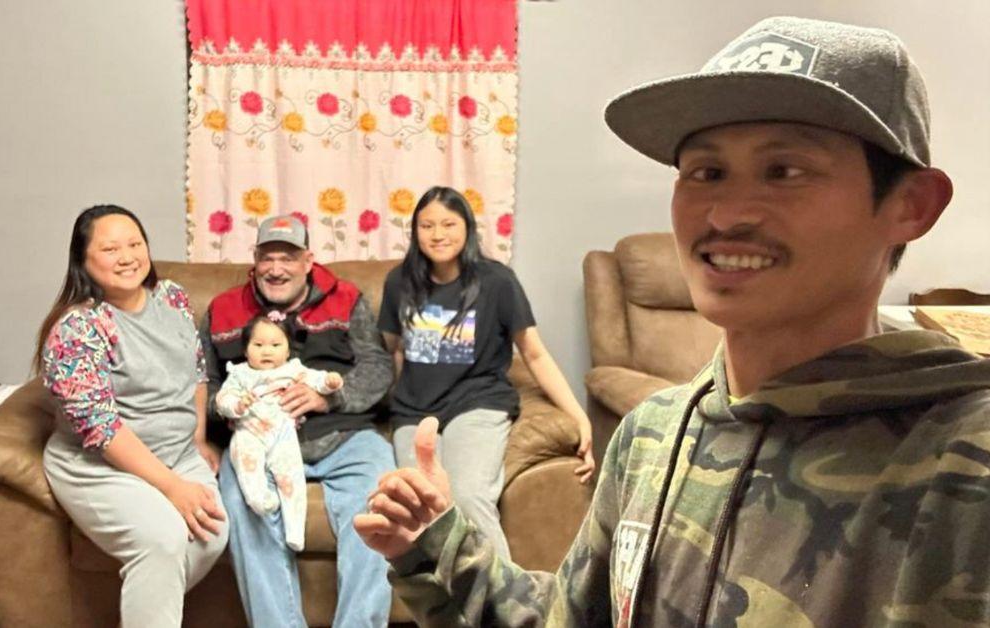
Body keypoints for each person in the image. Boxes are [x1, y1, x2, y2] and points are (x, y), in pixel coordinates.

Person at [356, 16, 990, 627]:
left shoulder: (966, 461)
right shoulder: (651, 437)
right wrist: (433, 548)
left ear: (910, 205)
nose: (727, 213)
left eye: (785, 171)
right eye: (706, 172)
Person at [377, 185, 595, 559]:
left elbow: (535, 354)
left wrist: (580, 418)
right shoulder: (399, 283)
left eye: (448, 223)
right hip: (414, 411)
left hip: (477, 404)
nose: (438, 234)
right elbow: (390, 352)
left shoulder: (496, 281)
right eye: (427, 225)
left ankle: (503, 607)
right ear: (415, 232)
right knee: (421, 502)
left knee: (468, 494)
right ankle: (440, 610)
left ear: (467, 228)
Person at [200, 214, 395, 627]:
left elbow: (377, 367)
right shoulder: (222, 310)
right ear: (253, 260)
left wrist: (331, 397)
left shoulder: (346, 298)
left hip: (343, 435)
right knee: (241, 502)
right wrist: (235, 408)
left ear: (308, 260)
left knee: (379, 504)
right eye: (267, 257)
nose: (276, 268)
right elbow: (205, 383)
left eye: (287, 258)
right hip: (258, 439)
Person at [38, 204, 227, 628]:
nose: (127, 256)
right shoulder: (77, 329)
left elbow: (195, 371)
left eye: (134, 244)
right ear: (83, 260)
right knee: (162, 539)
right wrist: (172, 487)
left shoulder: (173, 297)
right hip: (101, 466)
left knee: (212, 531)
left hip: (178, 453)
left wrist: (196, 438)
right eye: (109, 248)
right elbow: (101, 428)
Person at [216, 313, 344, 552]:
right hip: (249, 431)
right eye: (258, 345)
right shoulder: (240, 374)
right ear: (245, 350)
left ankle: (295, 531)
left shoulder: (293, 369)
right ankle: (260, 501)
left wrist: (330, 382)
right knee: (248, 470)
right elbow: (222, 399)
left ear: (287, 351)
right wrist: (237, 405)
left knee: (291, 477)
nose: (267, 351)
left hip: (283, 432)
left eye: (276, 345)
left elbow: (316, 379)